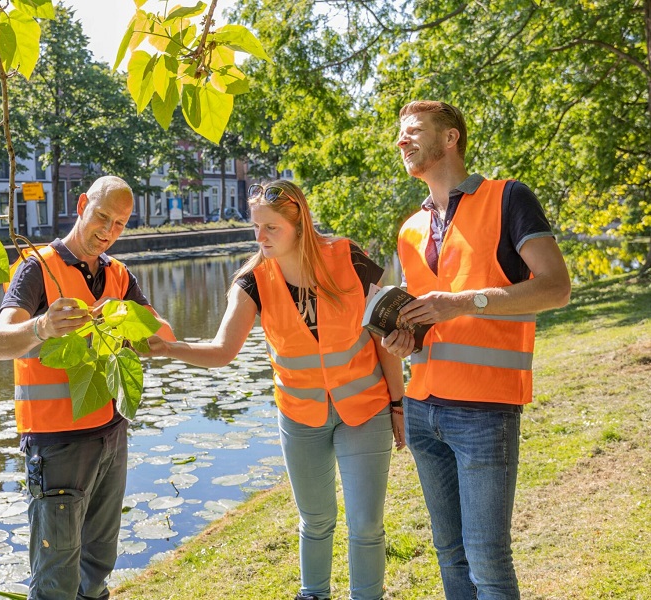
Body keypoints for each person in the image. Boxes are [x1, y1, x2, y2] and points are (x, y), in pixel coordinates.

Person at [144, 180, 405, 600]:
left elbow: (382, 334)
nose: (260, 237)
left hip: (366, 408)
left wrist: (397, 403)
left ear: (298, 224)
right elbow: (223, 350)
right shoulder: (251, 280)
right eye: (256, 227)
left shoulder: (348, 257)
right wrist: (171, 348)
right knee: (316, 519)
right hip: (300, 416)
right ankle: (313, 594)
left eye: (271, 228)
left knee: (365, 522)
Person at [384, 101, 571, 599]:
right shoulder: (409, 229)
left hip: (485, 410)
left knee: (487, 559)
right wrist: (403, 336)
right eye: (399, 134)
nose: (401, 141)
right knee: (449, 551)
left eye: (413, 131)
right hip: (423, 410)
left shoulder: (508, 198)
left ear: (450, 139)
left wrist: (462, 303)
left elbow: (556, 288)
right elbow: (427, 316)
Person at [0, 175, 173, 600]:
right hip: (56, 446)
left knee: (98, 570)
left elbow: (162, 335)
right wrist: (42, 325)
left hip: (111, 435)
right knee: (56, 582)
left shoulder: (119, 274)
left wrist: (124, 315)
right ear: (82, 204)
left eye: (120, 224)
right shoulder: (37, 267)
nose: (108, 231)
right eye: (102, 216)